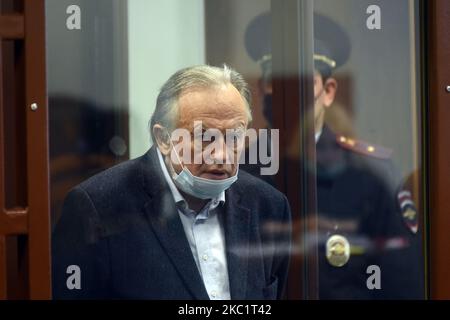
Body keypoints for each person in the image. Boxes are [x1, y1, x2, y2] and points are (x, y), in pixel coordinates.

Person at [52, 65, 292, 300]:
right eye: (204, 138)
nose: (221, 155)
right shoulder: (98, 206)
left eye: (234, 138)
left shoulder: (268, 205)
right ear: (164, 138)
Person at [244, 11, 423, 299]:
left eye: (302, 80)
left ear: (328, 91)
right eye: (272, 78)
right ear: (262, 88)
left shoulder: (371, 171)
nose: (282, 91)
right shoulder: (239, 168)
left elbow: (401, 279)